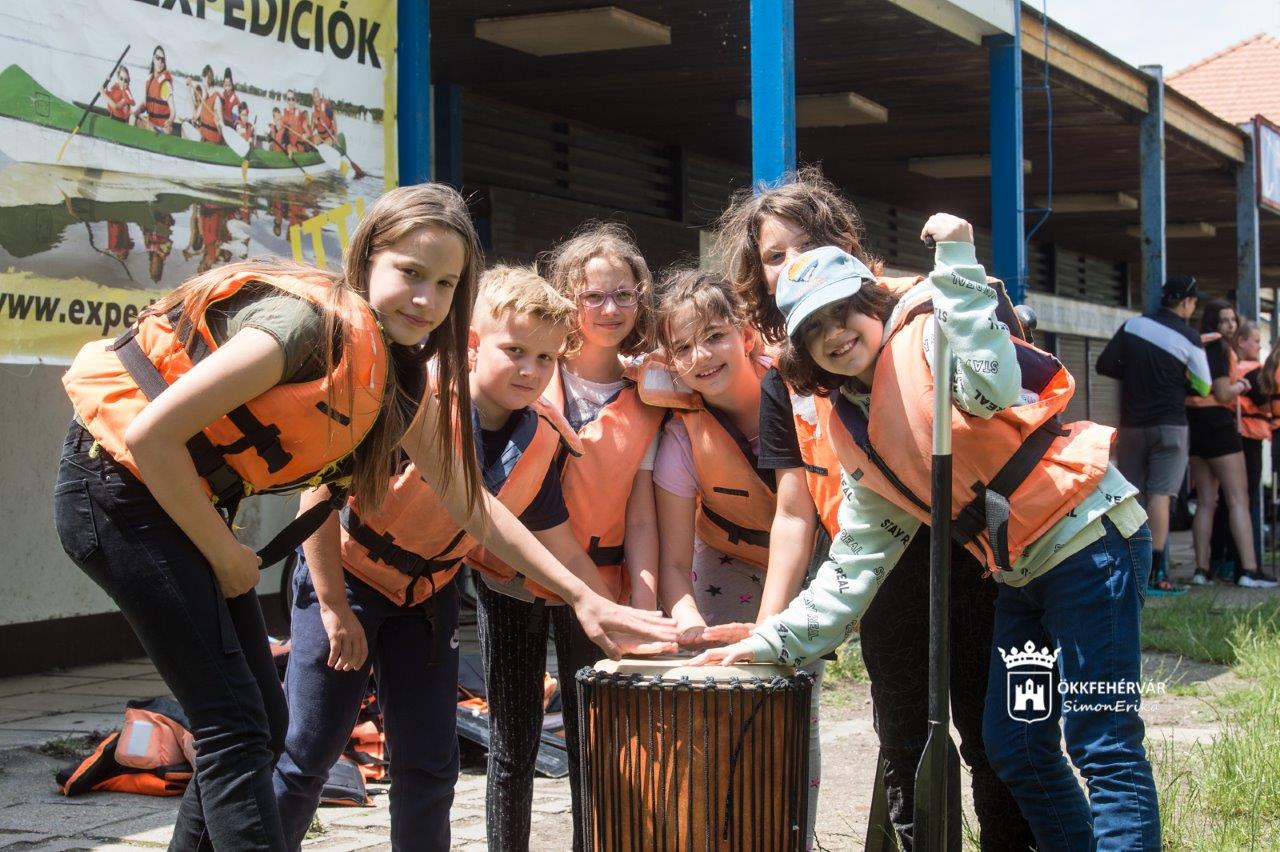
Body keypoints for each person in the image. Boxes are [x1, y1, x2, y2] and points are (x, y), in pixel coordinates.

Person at [54, 183, 674, 851]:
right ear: (367, 260)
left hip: (183, 505)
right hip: (113, 490)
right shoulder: (304, 329)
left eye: (444, 283)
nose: (425, 299)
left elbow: (471, 500)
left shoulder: (394, 376)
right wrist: (227, 553)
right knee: (237, 725)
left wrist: (585, 597)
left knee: (256, 720)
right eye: (409, 273)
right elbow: (151, 436)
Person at [697, 220, 1160, 851]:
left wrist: (960, 261)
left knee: (1100, 737)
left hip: (1089, 546)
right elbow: (853, 564)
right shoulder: (853, 428)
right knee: (1017, 745)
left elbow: (993, 381)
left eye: (843, 313)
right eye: (813, 328)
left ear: (872, 302)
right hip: (1020, 577)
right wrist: (770, 640)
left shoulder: (935, 341)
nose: (834, 335)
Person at [713, 168, 1032, 850]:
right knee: (905, 739)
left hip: (979, 556)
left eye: (809, 243)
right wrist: (772, 632)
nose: (793, 263)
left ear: (849, 246)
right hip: (876, 564)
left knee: (992, 737)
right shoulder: (790, 377)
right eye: (775, 256)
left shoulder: (941, 304)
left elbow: (1009, 403)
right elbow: (796, 513)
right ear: (761, 277)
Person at [274, 264, 601, 850]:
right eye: (515, 350)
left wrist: (617, 616)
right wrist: (330, 608)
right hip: (345, 580)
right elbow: (317, 497)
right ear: (471, 345)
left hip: (429, 597)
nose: (531, 370)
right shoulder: (408, 397)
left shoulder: (542, 438)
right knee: (309, 752)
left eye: (547, 358)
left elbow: (563, 547)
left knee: (429, 763)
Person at [646, 267, 825, 845]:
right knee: (712, 713)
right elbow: (675, 563)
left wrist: (770, 630)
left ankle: (789, 835)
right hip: (724, 562)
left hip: (808, 564)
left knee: (792, 703)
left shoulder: (805, 397)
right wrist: (689, 623)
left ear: (747, 335)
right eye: (682, 346)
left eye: (715, 335)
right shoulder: (680, 435)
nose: (701, 355)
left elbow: (798, 520)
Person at [1096, 274, 1208, 595]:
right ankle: (1157, 572)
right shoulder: (1190, 337)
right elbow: (1204, 386)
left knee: (1130, 494)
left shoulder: (1133, 327)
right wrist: (1180, 378)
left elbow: (1105, 364)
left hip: (1132, 425)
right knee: (1161, 495)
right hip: (1171, 425)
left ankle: (1127, 563)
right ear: (1186, 302)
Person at [1185, 300, 1274, 588]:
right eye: (1224, 321)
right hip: (1219, 428)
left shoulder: (1195, 346)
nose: (1230, 326)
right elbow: (1223, 393)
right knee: (1238, 499)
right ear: (1213, 322)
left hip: (1194, 427)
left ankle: (1201, 570)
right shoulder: (1220, 349)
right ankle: (1248, 570)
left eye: (1232, 320)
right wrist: (1241, 386)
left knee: (1206, 502)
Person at [134, 45, 174, 133]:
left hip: (161, 129)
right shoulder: (149, 80)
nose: (160, 62)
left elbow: (173, 112)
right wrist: (137, 111)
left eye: (162, 60)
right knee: (132, 118)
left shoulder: (165, 84)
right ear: (153, 59)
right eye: (157, 58)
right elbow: (145, 104)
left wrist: (170, 121)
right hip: (150, 124)